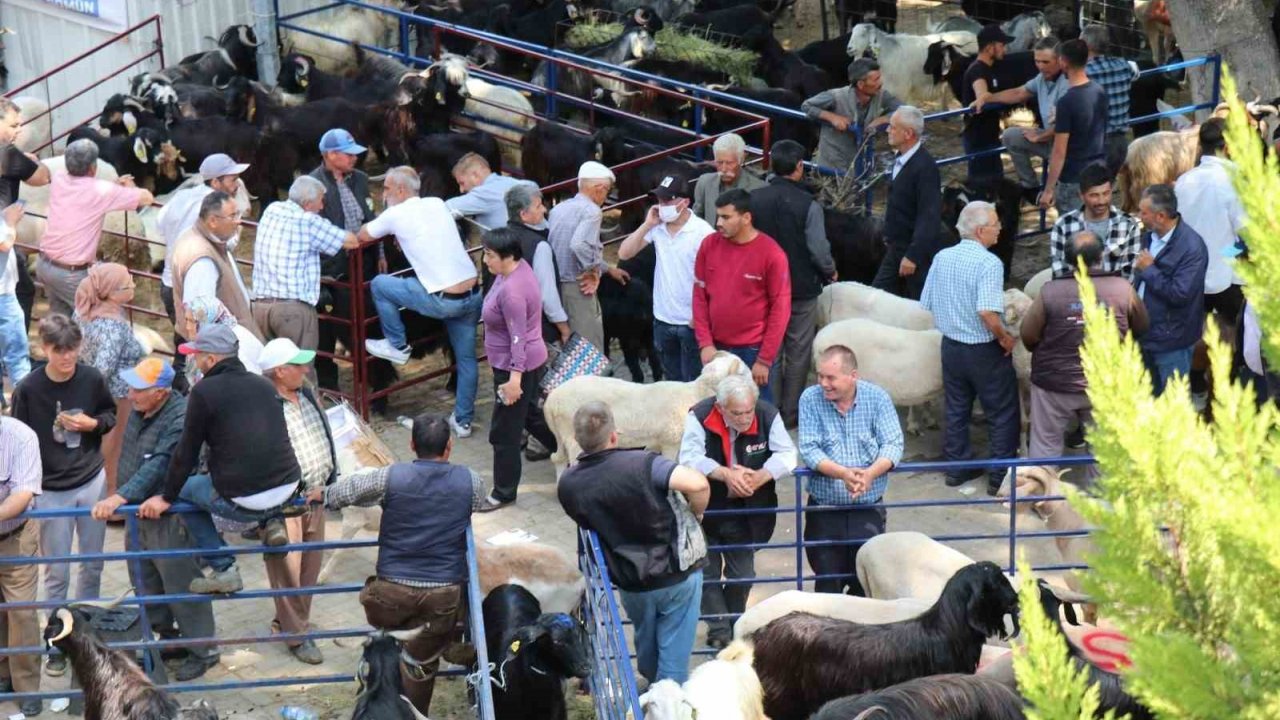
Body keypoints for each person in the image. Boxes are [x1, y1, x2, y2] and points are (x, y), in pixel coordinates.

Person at [307, 413, 487, 718]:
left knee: (387, 639)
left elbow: (349, 492)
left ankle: (379, 689)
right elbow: (477, 503)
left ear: (412, 444)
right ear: (450, 446)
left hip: (390, 596)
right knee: (422, 663)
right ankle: (424, 684)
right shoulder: (472, 482)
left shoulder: (389, 476)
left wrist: (323, 495)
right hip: (442, 596)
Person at [138, 324, 304, 594]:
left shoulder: (204, 392)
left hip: (246, 497)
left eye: (197, 355)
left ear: (212, 360)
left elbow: (186, 451)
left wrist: (166, 496)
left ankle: (223, 567)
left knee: (183, 492)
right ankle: (272, 522)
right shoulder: (263, 384)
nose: (194, 360)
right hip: (288, 488)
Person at [558, 401, 710, 684]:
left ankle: (655, 687)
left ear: (577, 440)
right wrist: (697, 512)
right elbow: (698, 484)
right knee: (673, 659)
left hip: (630, 580)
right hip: (677, 573)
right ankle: (667, 702)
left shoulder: (568, 483)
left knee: (648, 645)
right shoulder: (644, 463)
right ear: (614, 435)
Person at [90, 358, 220, 682]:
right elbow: (132, 457)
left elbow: (161, 464)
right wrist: (122, 493)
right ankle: (168, 637)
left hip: (169, 513)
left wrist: (117, 497)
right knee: (144, 579)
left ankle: (204, 649)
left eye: (138, 389)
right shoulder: (139, 410)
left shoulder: (180, 417)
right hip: (138, 513)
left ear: (160, 393)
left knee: (181, 582)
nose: (130, 394)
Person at [10, 314, 116, 676]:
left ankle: (86, 633)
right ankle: (56, 639)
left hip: (90, 481)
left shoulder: (92, 378)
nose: (68, 357)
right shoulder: (27, 389)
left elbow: (110, 414)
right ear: (45, 349)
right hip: (51, 490)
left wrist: (92, 424)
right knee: (56, 571)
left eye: (72, 349)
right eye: (60, 351)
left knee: (93, 562)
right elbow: (19, 440)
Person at [359, 166, 481, 437]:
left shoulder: (395, 213)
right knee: (466, 359)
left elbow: (362, 235)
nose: (384, 194)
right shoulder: (437, 203)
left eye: (387, 189)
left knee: (380, 285)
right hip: (472, 294)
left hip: (443, 299)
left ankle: (397, 344)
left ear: (401, 190)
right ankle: (462, 422)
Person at [679, 374, 795, 648]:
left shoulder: (767, 414)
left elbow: (788, 454)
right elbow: (689, 457)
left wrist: (761, 476)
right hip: (705, 507)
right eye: (736, 413)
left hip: (747, 511)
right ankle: (719, 628)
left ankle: (734, 621)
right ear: (721, 408)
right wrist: (724, 474)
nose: (744, 419)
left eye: (748, 412)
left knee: (743, 574)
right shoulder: (700, 415)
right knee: (705, 572)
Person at [1020, 232, 1147, 481]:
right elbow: (1141, 327)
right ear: (1101, 256)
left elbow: (1028, 335)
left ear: (1067, 259)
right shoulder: (1123, 289)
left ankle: (1042, 500)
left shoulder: (1050, 292)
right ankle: (1099, 506)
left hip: (1054, 385)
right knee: (1102, 451)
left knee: (1045, 447)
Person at [921, 201, 1020, 495]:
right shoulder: (989, 263)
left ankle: (957, 468)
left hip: (950, 345)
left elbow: (927, 302)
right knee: (1001, 411)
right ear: (980, 231)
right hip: (983, 349)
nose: (1000, 230)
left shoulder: (941, 257)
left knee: (956, 408)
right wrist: (1004, 337)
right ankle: (999, 474)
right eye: (995, 225)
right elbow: (987, 312)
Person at [798, 344, 903, 595]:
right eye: (820, 375)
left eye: (830, 377)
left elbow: (894, 443)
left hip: (867, 509)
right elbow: (809, 449)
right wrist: (843, 474)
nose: (823, 383)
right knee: (827, 582)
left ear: (852, 376)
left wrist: (869, 474)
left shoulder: (877, 398)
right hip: (824, 510)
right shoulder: (810, 399)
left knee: (866, 583)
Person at [259, 338, 336, 666]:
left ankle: (290, 621)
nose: (305, 369)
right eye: (297, 364)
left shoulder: (304, 394)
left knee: (308, 568)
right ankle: (297, 635)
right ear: (279, 371)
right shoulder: (264, 406)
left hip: (316, 496)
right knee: (287, 570)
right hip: (286, 501)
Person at [751, 140, 837, 425]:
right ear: (799, 167)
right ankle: (791, 413)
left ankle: (769, 411)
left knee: (769, 351)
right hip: (801, 290)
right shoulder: (809, 205)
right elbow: (818, 248)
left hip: (761, 289)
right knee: (799, 351)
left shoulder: (753, 199)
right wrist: (830, 271)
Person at [479, 227, 558, 512]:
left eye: (489, 254)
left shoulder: (513, 292)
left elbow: (518, 338)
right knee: (531, 416)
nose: (485, 260)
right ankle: (569, 448)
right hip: (527, 362)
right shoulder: (516, 270)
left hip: (516, 367)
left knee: (504, 433)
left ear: (508, 256)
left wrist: (513, 382)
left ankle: (503, 492)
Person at [156, 153, 249, 386]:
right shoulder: (218, 210)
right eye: (232, 179)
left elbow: (160, 223)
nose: (236, 184)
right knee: (199, 342)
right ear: (215, 182)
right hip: (198, 284)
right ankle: (189, 390)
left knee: (184, 340)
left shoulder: (182, 196)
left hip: (170, 280)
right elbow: (227, 243)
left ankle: (180, 388)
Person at [1174, 118, 1247, 410]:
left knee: (1192, 335)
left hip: (1190, 277)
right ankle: (1230, 389)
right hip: (1227, 278)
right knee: (1240, 333)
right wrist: (1225, 253)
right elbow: (1247, 235)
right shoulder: (1237, 180)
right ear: (1227, 145)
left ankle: (1195, 385)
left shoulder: (1184, 180)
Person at [693, 189, 791, 403]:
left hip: (752, 351)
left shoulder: (772, 254)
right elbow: (699, 296)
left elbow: (780, 310)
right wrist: (705, 343)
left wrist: (764, 359)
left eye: (726, 217)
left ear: (746, 218)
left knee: (757, 410)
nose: (719, 222)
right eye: (718, 215)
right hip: (716, 348)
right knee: (716, 407)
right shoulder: (709, 245)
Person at [36, 138, 154, 317]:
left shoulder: (59, 178)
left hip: (45, 266)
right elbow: (147, 198)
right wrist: (130, 188)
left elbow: (85, 194)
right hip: (71, 274)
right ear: (93, 167)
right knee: (110, 318)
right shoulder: (100, 190)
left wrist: (113, 186)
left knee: (63, 323)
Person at [618, 175, 715, 382]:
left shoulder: (703, 233)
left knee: (693, 383)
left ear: (684, 202)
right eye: (660, 201)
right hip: (663, 319)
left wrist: (701, 317)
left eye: (668, 201)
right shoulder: (657, 227)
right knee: (671, 381)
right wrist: (647, 224)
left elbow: (715, 278)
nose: (662, 206)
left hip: (691, 322)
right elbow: (624, 253)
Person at [252, 175, 359, 352]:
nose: (322, 206)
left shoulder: (272, 209)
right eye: (320, 201)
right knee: (299, 369)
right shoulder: (308, 221)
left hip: (261, 306)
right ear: (308, 204)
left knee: (273, 368)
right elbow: (351, 241)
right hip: (292, 309)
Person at [308, 129, 378, 390]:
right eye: (348, 154)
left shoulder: (360, 179)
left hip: (363, 262)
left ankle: (370, 372)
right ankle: (329, 385)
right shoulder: (313, 185)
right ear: (330, 155)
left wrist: (378, 252)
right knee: (327, 325)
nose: (354, 159)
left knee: (367, 317)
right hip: (330, 269)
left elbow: (370, 216)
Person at [74, 263, 145, 513]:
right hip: (117, 396)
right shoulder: (114, 325)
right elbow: (104, 367)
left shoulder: (83, 312)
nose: (134, 286)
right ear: (112, 293)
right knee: (113, 449)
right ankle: (108, 500)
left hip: (91, 392)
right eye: (128, 285)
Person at [1133, 184, 1209, 396]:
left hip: (1171, 340)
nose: (1139, 216)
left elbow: (1180, 294)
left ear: (1161, 216)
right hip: (1145, 334)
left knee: (1173, 404)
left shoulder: (1192, 248)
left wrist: (1149, 270)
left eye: (1143, 212)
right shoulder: (1149, 235)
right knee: (1149, 396)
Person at [974, 37, 1068, 204]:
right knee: (1011, 136)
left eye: (1045, 62)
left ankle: (1055, 194)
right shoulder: (1042, 78)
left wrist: (1040, 136)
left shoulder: (1067, 84)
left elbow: (1067, 124)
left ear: (1060, 60)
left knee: (1064, 200)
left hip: (1067, 146)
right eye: (1037, 61)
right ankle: (1029, 187)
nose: (1040, 66)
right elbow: (1019, 93)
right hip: (1051, 139)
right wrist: (988, 98)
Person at [548, 161, 629, 352]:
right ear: (599, 189)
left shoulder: (559, 208)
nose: (605, 196)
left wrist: (607, 269)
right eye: (607, 191)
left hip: (557, 286)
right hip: (577, 287)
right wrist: (593, 269)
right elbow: (579, 245)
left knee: (569, 348)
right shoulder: (592, 211)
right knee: (588, 349)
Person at [172, 190, 263, 341]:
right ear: (213, 221)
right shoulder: (202, 260)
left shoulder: (206, 240)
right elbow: (200, 316)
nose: (238, 221)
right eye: (232, 216)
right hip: (224, 348)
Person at [0, 414, 44, 717]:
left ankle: (27, 688)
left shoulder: (21, 437)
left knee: (22, 613)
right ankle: (4, 676)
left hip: (15, 536)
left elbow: (23, 495)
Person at [873, 106, 942, 300]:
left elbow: (929, 216)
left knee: (918, 304)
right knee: (877, 296)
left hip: (913, 253)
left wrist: (913, 255)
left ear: (908, 133)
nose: (887, 130)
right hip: (896, 247)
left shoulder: (925, 168)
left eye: (893, 127)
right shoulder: (901, 159)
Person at [1039, 39, 1109, 216]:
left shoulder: (1066, 102)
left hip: (1073, 177)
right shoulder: (1099, 91)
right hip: (1098, 170)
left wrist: (1048, 189)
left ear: (1062, 61)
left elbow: (1059, 150)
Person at [0, 96, 51, 329]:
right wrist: (35, 163)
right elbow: (42, 178)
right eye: (13, 125)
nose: (19, 130)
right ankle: (14, 357)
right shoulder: (6, 153)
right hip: (3, 234)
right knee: (22, 291)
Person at [501, 181, 571, 348]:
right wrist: (564, 328)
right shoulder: (539, 246)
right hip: (537, 334)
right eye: (539, 206)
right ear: (524, 214)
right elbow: (548, 296)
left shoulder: (497, 241)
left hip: (504, 331)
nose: (544, 210)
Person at [802, 58, 902, 172]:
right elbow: (806, 106)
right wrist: (832, 117)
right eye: (876, 79)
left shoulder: (882, 95)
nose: (881, 83)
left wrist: (884, 119)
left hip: (861, 165)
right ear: (860, 84)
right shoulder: (835, 96)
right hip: (832, 167)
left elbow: (905, 110)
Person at [1049, 162, 1142, 280]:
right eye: (1094, 195)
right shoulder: (1063, 225)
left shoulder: (1129, 225)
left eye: (1106, 193)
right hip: (1074, 293)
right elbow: (1059, 270)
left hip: (1114, 295)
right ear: (1081, 196)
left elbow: (1129, 273)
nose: (1102, 201)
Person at [962, 24, 1016, 181]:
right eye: (1001, 45)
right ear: (989, 47)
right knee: (982, 183)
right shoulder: (977, 70)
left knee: (994, 180)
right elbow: (981, 93)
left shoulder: (991, 68)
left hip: (990, 135)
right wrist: (984, 97)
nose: (1004, 49)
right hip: (978, 137)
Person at [1082, 25, 1139, 174]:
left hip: (1096, 143)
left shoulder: (1083, 72)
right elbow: (1135, 74)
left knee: (1091, 188)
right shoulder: (1124, 66)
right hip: (1120, 142)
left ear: (1086, 45)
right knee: (1105, 188)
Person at [691, 133, 766, 226]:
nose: (724, 169)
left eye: (729, 163)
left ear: (741, 160)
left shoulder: (759, 188)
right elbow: (696, 219)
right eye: (719, 162)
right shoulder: (704, 182)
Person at [183, 297, 265, 378]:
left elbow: (246, 381)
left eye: (192, 322)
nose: (188, 327)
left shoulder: (231, 341)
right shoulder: (215, 337)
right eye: (186, 320)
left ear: (207, 320)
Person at [445, 152, 521, 230]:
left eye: (462, 183)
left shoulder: (483, 194)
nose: (461, 190)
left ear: (475, 176)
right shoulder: (524, 184)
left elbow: (441, 208)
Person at [0, 202, 31, 387]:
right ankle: (26, 403)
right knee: (17, 354)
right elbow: (5, 243)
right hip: (2, 296)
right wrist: (10, 221)